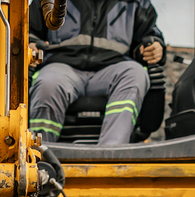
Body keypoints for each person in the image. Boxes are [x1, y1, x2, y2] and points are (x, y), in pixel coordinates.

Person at [28, 0, 166, 146]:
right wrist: (30, 43)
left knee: (135, 74)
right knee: (48, 82)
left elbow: (150, 35)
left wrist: (155, 47)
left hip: (113, 68)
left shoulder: (137, 3)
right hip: (62, 66)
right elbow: (28, 30)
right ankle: (41, 154)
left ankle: (111, 152)